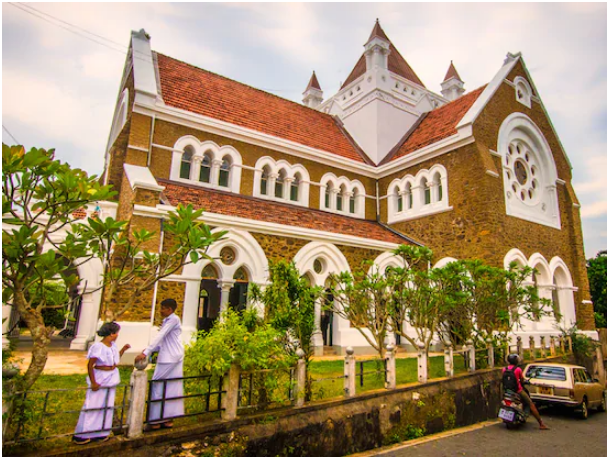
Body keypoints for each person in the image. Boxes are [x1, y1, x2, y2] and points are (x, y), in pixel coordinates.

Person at [73, 322, 130, 445]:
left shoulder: (113, 345)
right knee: (93, 404)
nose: (117, 335)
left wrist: (123, 350)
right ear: (111, 333)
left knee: (107, 405)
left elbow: (114, 359)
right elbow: (90, 364)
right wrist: (93, 382)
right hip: (100, 376)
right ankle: (83, 433)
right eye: (116, 333)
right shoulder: (98, 347)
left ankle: (101, 432)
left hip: (111, 376)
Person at [135, 298, 184, 429]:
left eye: (162, 308)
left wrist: (146, 352)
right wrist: (149, 350)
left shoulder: (173, 319)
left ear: (169, 309)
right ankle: (166, 419)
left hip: (170, 357)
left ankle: (156, 420)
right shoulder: (168, 321)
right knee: (168, 386)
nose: (160, 311)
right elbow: (164, 341)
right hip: (172, 355)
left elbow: (161, 336)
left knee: (158, 385)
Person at [503, 354, 549, 430]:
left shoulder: (504, 369)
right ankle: (541, 423)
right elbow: (521, 379)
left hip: (507, 391)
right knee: (531, 404)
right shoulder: (518, 370)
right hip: (518, 390)